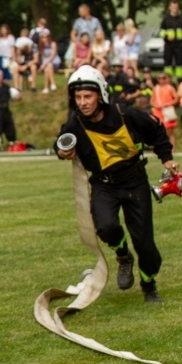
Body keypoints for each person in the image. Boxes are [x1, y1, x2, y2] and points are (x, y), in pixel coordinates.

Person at [55, 65, 174, 303]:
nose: (83, 102)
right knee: (106, 227)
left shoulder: (125, 114)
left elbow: (156, 129)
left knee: (144, 243)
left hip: (135, 182)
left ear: (100, 94)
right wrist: (61, 151)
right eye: (78, 97)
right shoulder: (75, 123)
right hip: (104, 185)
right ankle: (123, 255)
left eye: (88, 96)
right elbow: (61, 142)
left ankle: (149, 285)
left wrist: (167, 158)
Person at [150, 72, 178, 150]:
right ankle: (160, 149)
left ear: (166, 79)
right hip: (158, 111)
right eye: (160, 78)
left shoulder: (170, 88)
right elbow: (151, 101)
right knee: (157, 131)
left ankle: (173, 149)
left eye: (163, 78)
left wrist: (167, 104)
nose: (161, 80)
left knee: (170, 131)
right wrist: (156, 105)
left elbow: (176, 99)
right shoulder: (156, 88)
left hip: (167, 111)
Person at [160, 0, 182, 80]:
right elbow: (161, 32)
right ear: (169, 8)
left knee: (180, 65)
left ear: (178, 8)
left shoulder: (181, 19)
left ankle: (180, 82)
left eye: (176, 7)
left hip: (179, 45)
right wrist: (166, 37)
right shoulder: (166, 20)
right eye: (173, 7)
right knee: (167, 65)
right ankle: (168, 81)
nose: (174, 9)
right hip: (168, 45)